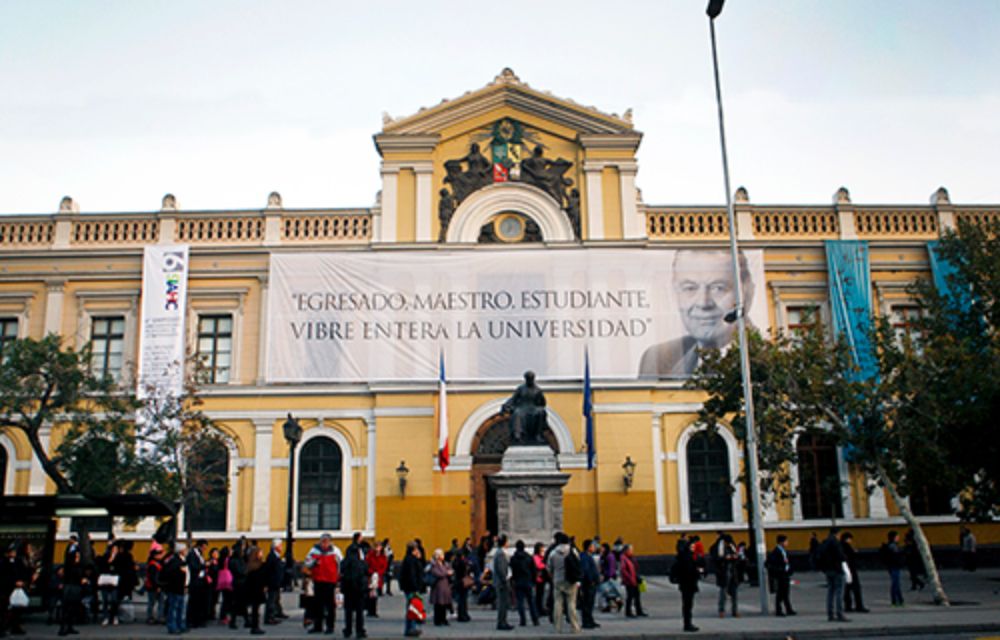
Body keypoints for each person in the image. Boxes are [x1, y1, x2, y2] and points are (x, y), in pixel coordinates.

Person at [639, 249, 755, 377]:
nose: (703, 303)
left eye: (718, 288)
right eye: (690, 288)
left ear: (747, 293)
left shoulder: (769, 359)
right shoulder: (657, 359)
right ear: (674, 293)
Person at [304, 533, 340, 634]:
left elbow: (340, 564)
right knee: (317, 604)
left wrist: (339, 579)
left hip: (330, 581)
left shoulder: (335, 551)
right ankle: (318, 626)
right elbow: (307, 562)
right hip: (318, 579)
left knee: (330, 605)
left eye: (327, 541)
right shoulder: (314, 551)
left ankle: (330, 626)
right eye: (323, 541)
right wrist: (314, 562)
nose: (325, 543)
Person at [546, 532, 581, 634]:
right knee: (571, 604)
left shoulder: (553, 553)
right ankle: (574, 627)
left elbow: (549, 567)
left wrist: (553, 575)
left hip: (557, 580)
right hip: (571, 580)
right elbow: (578, 564)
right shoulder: (572, 551)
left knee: (557, 603)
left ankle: (558, 627)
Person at [818, 527, 849, 622]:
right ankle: (839, 613)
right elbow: (840, 556)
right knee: (839, 592)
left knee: (830, 592)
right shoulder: (835, 543)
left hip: (828, 570)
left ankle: (830, 614)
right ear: (837, 534)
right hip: (837, 569)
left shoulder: (825, 542)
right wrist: (845, 557)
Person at [671, 539, 700, 633]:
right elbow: (689, 571)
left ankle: (687, 623)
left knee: (687, 604)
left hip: (685, 584)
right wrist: (697, 571)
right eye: (691, 547)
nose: (693, 548)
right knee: (688, 605)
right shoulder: (687, 558)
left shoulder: (682, 557)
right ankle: (688, 624)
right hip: (688, 584)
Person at [340, 542, 368, 638]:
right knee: (359, 612)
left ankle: (348, 630)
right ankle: (359, 630)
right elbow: (366, 571)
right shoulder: (361, 563)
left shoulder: (344, 562)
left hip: (348, 589)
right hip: (359, 589)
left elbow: (341, 572)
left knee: (348, 611)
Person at [398, 541, 425, 638]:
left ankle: (410, 628)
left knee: (411, 607)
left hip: (408, 587)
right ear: (414, 550)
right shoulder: (411, 561)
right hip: (411, 587)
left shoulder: (408, 559)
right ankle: (410, 628)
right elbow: (412, 575)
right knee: (413, 607)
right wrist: (416, 587)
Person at [161, 543, 189, 636]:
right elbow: (169, 573)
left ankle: (180, 625)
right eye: (185, 549)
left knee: (180, 608)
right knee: (173, 608)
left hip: (181, 587)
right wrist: (179, 570)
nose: (186, 551)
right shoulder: (175, 561)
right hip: (175, 588)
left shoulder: (182, 560)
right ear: (181, 551)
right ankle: (172, 626)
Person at [509, 540, 538, 627]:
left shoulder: (513, 558)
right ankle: (535, 620)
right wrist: (533, 581)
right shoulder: (529, 557)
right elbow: (534, 570)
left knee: (520, 602)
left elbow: (512, 571)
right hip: (528, 581)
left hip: (518, 582)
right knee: (531, 602)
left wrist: (513, 580)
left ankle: (523, 620)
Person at [766, 534, 796, 616]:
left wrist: (789, 569)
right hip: (780, 575)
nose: (787, 543)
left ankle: (788, 609)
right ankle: (778, 610)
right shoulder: (776, 552)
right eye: (786, 541)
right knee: (780, 593)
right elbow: (770, 564)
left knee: (786, 593)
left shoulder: (784, 551)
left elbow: (787, 561)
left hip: (785, 574)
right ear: (781, 542)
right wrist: (780, 570)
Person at [58, 549, 86, 637]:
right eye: (76, 556)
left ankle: (69, 627)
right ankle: (63, 628)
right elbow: (72, 576)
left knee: (72, 609)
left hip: (75, 589)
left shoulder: (77, 566)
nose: (78, 558)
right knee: (66, 609)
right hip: (70, 588)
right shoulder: (70, 567)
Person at [711, 534, 739, 618]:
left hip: (733, 572)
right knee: (723, 592)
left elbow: (736, 556)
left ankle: (735, 610)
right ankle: (721, 610)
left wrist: (734, 557)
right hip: (723, 572)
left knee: (734, 593)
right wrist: (725, 558)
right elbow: (716, 558)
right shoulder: (719, 547)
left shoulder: (731, 546)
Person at [840, 532, 867, 613]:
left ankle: (848, 606)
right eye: (850, 539)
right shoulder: (847, 547)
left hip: (845, 570)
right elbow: (851, 557)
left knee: (847, 589)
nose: (851, 541)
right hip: (851, 570)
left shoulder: (840, 546)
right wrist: (854, 552)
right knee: (856, 589)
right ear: (847, 539)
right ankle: (859, 606)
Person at [186, 539, 209, 629]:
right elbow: (193, 566)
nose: (204, 549)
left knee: (199, 601)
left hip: (201, 580)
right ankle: (191, 620)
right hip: (195, 581)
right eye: (204, 547)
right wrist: (205, 565)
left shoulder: (199, 555)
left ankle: (198, 620)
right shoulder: (192, 554)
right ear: (199, 546)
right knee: (193, 601)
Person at [244, 544, 266, 635]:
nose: (262, 554)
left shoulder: (253, 565)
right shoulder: (256, 566)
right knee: (255, 609)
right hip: (256, 590)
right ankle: (255, 626)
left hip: (256, 589)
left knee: (255, 609)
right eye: (260, 553)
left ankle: (255, 626)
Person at [620, 544, 647, 617]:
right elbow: (623, 570)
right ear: (626, 551)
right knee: (630, 596)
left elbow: (635, 568)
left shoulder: (631, 558)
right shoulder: (624, 559)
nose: (631, 551)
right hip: (629, 581)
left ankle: (639, 611)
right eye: (630, 550)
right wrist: (629, 578)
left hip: (635, 579)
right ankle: (628, 612)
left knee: (637, 596)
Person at [493, 535, 514, 631]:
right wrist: (505, 580)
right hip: (502, 582)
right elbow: (501, 569)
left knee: (504, 603)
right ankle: (502, 623)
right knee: (502, 603)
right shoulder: (501, 553)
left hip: (502, 581)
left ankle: (503, 621)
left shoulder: (500, 552)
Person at [579, 539, 601, 629]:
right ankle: (586, 621)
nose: (594, 547)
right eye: (592, 546)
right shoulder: (585, 557)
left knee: (590, 603)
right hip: (588, 584)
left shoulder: (588, 556)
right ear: (588, 547)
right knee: (587, 603)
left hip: (591, 583)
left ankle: (590, 620)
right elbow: (586, 570)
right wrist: (591, 580)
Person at [427, 549, 451, 628]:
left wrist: (447, 572)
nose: (443, 556)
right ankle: (438, 620)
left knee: (444, 604)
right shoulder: (434, 564)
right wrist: (447, 573)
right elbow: (438, 573)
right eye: (441, 555)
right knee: (438, 605)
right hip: (438, 587)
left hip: (445, 587)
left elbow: (448, 570)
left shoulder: (445, 564)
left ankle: (443, 619)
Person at [881, 530, 906, 607]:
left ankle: (900, 600)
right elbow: (896, 555)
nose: (898, 538)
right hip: (894, 566)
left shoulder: (890, 546)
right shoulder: (893, 546)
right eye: (897, 536)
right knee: (895, 584)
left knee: (896, 583)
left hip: (891, 566)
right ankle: (895, 601)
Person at [263, 539, 285, 625]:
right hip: (272, 582)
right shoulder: (271, 556)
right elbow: (269, 570)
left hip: (276, 582)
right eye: (280, 546)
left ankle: (273, 615)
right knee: (271, 600)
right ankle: (269, 617)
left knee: (274, 599)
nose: (281, 547)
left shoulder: (276, 556)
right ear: (276, 547)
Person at [365, 541, 388, 617]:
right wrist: (371, 572)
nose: (377, 548)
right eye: (376, 546)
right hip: (370, 576)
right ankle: (369, 610)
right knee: (370, 593)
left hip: (378, 577)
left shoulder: (383, 556)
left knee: (375, 594)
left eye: (379, 547)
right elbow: (367, 565)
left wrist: (379, 572)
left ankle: (374, 610)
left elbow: (384, 566)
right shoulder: (370, 555)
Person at [145, 546, 164, 624]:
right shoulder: (153, 565)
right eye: (159, 554)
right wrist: (158, 586)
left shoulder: (156, 563)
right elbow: (153, 578)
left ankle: (157, 617)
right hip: (153, 587)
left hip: (155, 586)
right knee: (152, 602)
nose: (161, 556)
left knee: (158, 602)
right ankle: (150, 617)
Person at [451, 548, 471, 623]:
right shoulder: (463, 563)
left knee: (460, 599)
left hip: (458, 581)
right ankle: (463, 615)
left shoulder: (455, 562)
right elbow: (466, 570)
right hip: (463, 581)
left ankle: (461, 614)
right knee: (463, 599)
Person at [531, 543, 548, 617]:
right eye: (541, 550)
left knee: (541, 594)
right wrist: (545, 564)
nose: (543, 551)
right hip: (538, 578)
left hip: (542, 578)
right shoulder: (535, 557)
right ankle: (538, 610)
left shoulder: (541, 557)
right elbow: (539, 565)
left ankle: (540, 609)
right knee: (538, 595)